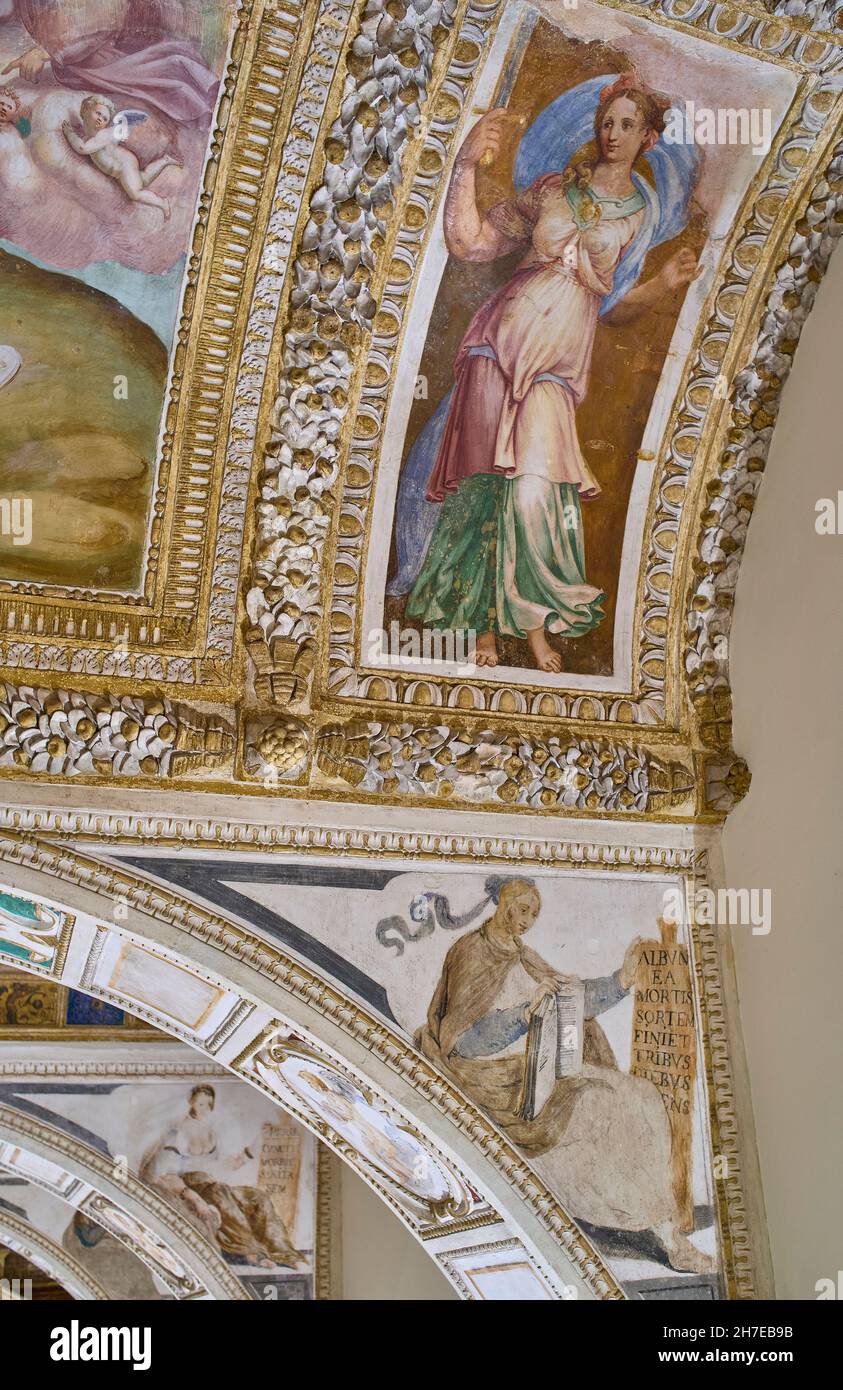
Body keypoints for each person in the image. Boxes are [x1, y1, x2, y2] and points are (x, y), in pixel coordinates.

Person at [399, 73, 702, 672]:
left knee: (538, 489)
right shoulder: (553, 188)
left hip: (559, 360)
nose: (612, 134)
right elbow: (471, 242)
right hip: (499, 342)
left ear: (649, 137)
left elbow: (613, 305)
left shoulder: (640, 214)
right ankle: (482, 627)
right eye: (606, 122)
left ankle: (535, 624)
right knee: (485, 483)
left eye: (626, 125)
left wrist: (664, 286)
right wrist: (462, 164)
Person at [416, 877, 713, 1274]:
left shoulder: (523, 956)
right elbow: (463, 1042)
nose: (527, 921)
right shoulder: (470, 953)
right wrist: (522, 1014)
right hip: (487, 1077)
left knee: (640, 1093)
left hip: (534, 1068)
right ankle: (662, 1235)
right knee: (597, 1101)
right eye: (522, 910)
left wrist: (620, 980)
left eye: (534, 915)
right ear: (503, 904)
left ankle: (665, 1226)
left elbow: (569, 997)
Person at [140, 1084, 304, 1269]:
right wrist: (193, 1197)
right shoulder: (176, 1131)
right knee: (220, 1192)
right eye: (200, 1103)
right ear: (191, 1102)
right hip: (189, 1185)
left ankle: (283, 1253)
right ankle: (250, 1253)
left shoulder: (210, 1132)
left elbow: (226, 1165)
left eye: (208, 1104)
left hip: (210, 1183)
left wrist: (260, 1137)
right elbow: (165, 1174)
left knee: (257, 1197)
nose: (204, 1108)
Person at [2, 0, 220, 126]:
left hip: (124, 47)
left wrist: (45, 52)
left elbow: (105, 15)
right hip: (80, 57)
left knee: (174, 76)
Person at [62, 95, 180, 217]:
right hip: (126, 161)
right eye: (98, 113)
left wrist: (69, 133)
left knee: (135, 194)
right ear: (86, 110)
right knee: (142, 179)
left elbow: (82, 148)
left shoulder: (101, 136)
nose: (100, 119)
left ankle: (163, 203)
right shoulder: (91, 138)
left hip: (124, 166)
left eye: (105, 119)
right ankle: (164, 161)